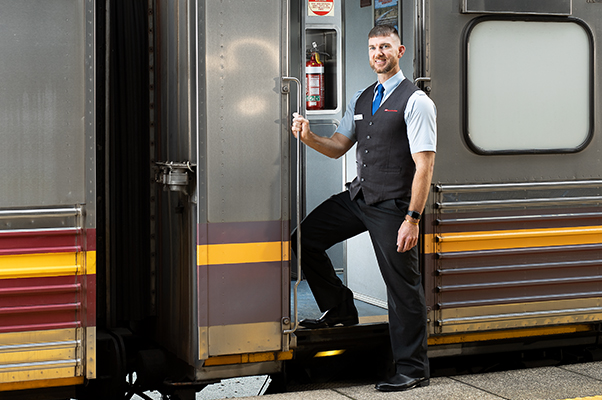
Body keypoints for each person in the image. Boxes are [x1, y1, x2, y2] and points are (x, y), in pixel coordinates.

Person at [290, 24, 436, 392]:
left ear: (399, 51)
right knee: (303, 239)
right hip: (360, 198)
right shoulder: (361, 97)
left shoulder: (416, 101)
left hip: (394, 206)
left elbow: (424, 167)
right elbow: (338, 146)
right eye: (373, 48)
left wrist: (412, 219)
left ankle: (412, 369)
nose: (378, 54)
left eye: (385, 47)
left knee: (402, 289)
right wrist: (308, 137)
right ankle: (339, 310)